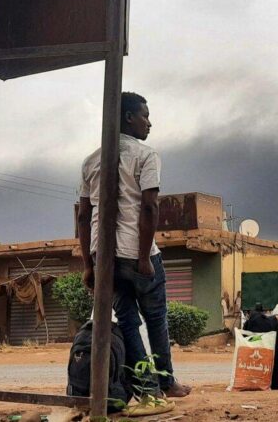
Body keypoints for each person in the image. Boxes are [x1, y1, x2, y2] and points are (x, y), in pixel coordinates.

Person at [78, 92, 190, 398]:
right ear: (129, 117)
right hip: (136, 252)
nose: (149, 122)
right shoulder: (146, 155)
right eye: (145, 115)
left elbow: (83, 215)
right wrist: (143, 258)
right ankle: (166, 382)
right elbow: (150, 207)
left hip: (104, 257)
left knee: (127, 319)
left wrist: (88, 265)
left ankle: (146, 387)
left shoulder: (90, 161)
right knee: (156, 319)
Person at [242, 303, 278, 390]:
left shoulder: (249, 322)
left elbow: (245, 336)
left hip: (255, 353)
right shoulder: (271, 321)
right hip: (272, 354)